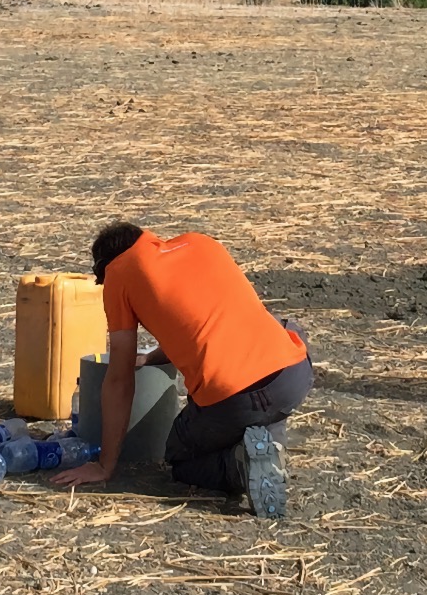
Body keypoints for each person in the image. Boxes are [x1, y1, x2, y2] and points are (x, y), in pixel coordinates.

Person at [51, 221, 312, 518]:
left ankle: (240, 466)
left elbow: (120, 378)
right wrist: (150, 358)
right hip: (293, 374)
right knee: (276, 345)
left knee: (179, 458)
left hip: (233, 399)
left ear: (105, 266)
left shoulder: (118, 272)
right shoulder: (200, 242)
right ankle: (270, 446)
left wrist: (104, 465)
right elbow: (210, 324)